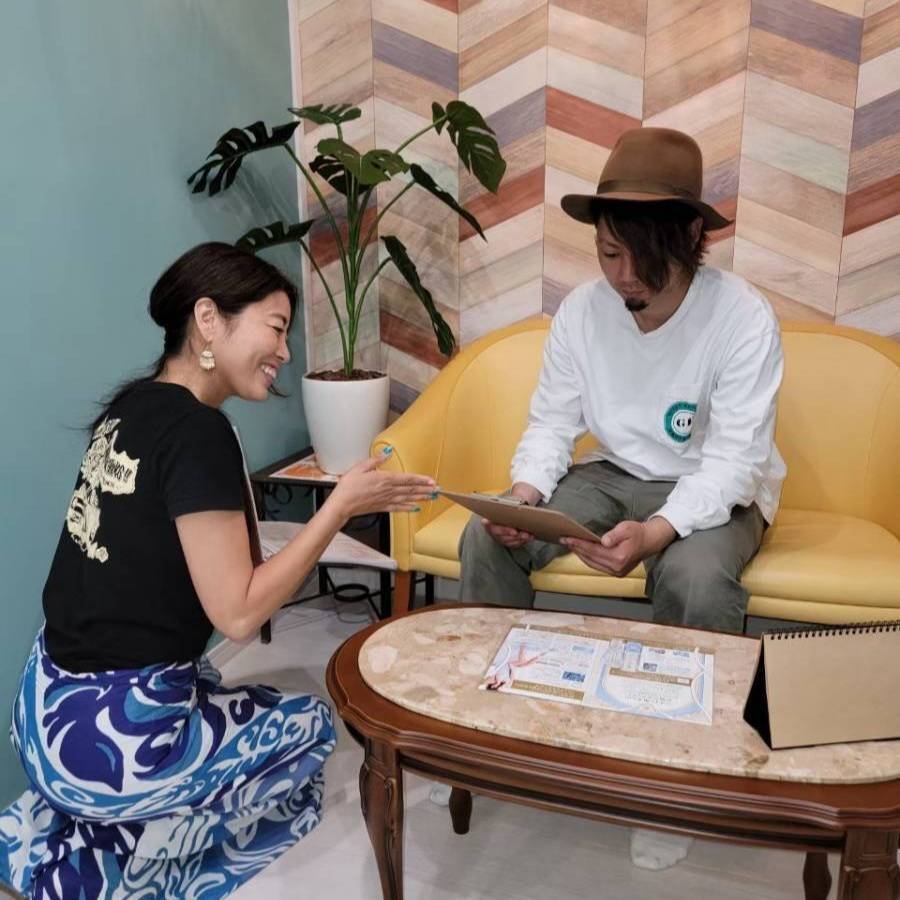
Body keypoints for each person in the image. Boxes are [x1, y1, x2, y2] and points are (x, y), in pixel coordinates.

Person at [0, 242, 436, 898]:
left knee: (211, 683)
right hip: (107, 745)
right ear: (209, 319)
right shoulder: (198, 433)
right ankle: (102, 867)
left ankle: (60, 826)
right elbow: (239, 614)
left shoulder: (130, 407)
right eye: (277, 328)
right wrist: (339, 506)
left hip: (41, 711)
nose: (284, 351)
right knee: (309, 730)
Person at [457, 128, 787, 868]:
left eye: (645, 257)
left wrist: (660, 531)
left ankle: (679, 778)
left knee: (695, 579)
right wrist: (523, 495)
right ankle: (494, 733)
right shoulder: (582, 312)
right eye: (610, 253)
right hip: (610, 471)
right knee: (487, 537)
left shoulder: (742, 318)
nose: (625, 276)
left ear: (692, 239)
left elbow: (736, 462)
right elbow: (552, 424)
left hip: (712, 484)